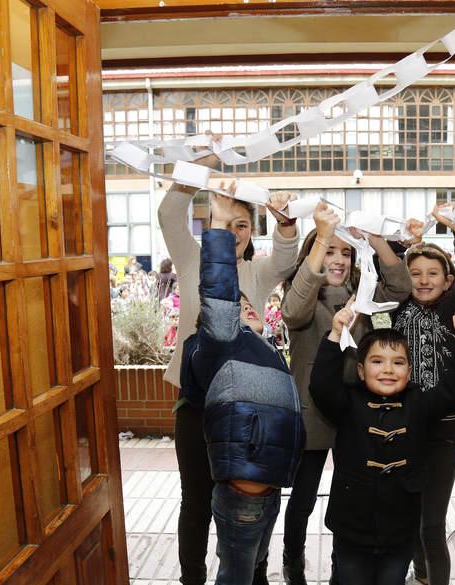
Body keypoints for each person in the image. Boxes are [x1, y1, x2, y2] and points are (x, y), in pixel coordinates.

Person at [159, 173, 300, 585]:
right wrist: (196, 172)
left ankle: (253, 573)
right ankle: (192, 578)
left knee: (253, 496)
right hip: (198, 402)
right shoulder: (190, 259)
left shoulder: (257, 272)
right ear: (211, 224)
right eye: (227, 222)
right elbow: (169, 214)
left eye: (243, 224)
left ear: (251, 232)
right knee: (197, 501)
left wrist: (286, 222)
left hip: (245, 409)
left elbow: (287, 258)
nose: (235, 231)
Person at [307, 300, 455, 585]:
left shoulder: (419, 402)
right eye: (377, 361)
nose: (388, 369)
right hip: (351, 526)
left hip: (401, 529)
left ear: (409, 370)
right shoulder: (347, 402)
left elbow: (453, 391)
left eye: (398, 362)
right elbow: (320, 386)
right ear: (361, 371)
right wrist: (335, 334)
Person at [280, 203, 412, 585]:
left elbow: (401, 287)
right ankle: (294, 563)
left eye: (345, 252)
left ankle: (344, 568)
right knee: (303, 500)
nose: (338, 260)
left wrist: (372, 237)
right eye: (330, 251)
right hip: (312, 411)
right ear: (315, 254)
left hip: (358, 414)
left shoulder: (364, 290)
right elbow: (292, 314)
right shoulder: (302, 291)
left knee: (354, 494)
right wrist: (322, 240)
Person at [391, 205, 455, 585]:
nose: (424, 280)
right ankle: (421, 574)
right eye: (415, 274)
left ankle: (435, 579)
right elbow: (388, 276)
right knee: (408, 515)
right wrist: (402, 247)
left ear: (448, 282)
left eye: (433, 274)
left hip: (444, 428)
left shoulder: (453, 308)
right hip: (400, 424)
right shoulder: (395, 307)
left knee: (432, 521)